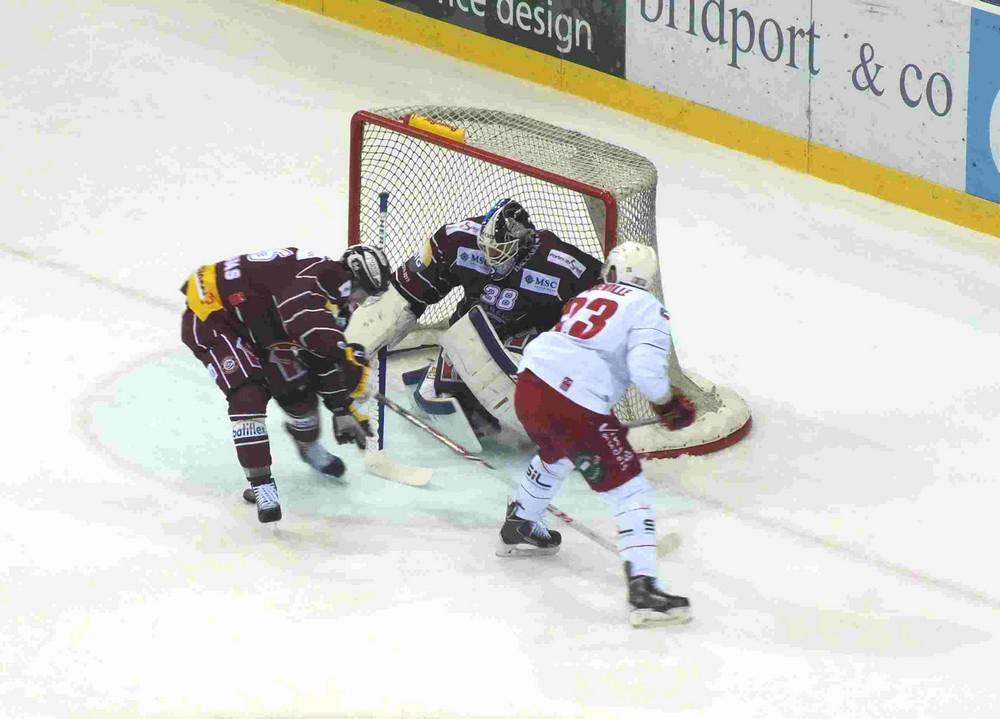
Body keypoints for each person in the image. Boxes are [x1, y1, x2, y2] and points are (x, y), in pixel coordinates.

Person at [497, 241, 696, 627]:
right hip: (575, 401)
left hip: (531, 385)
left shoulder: (589, 294)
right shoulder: (647, 307)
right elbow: (646, 372)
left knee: (556, 452)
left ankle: (521, 522)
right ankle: (644, 590)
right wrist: (668, 404)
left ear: (613, 270)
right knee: (631, 489)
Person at [347, 198, 603, 438]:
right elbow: (404, 294)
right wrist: (355, 349)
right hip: (469, 336)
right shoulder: (457, 240)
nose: (491, 258)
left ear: (522, 245)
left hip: (525, 342)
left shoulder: (561, 263)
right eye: (486, 249)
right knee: (453, 393)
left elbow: (606, 300)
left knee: (532, 412)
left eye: (499, 251)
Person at [179, 245, 389, 523]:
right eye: (367, 291)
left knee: (297, 390)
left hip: (262, 323)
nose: (363, 301)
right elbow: (306, 323)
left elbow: (319, 358)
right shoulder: (317, 278)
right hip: (215, 311)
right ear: (353, 277)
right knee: (248, 394)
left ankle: (308, 448)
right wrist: (347, 361)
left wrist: (342, 408)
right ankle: (262, 486)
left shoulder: (337, 301)